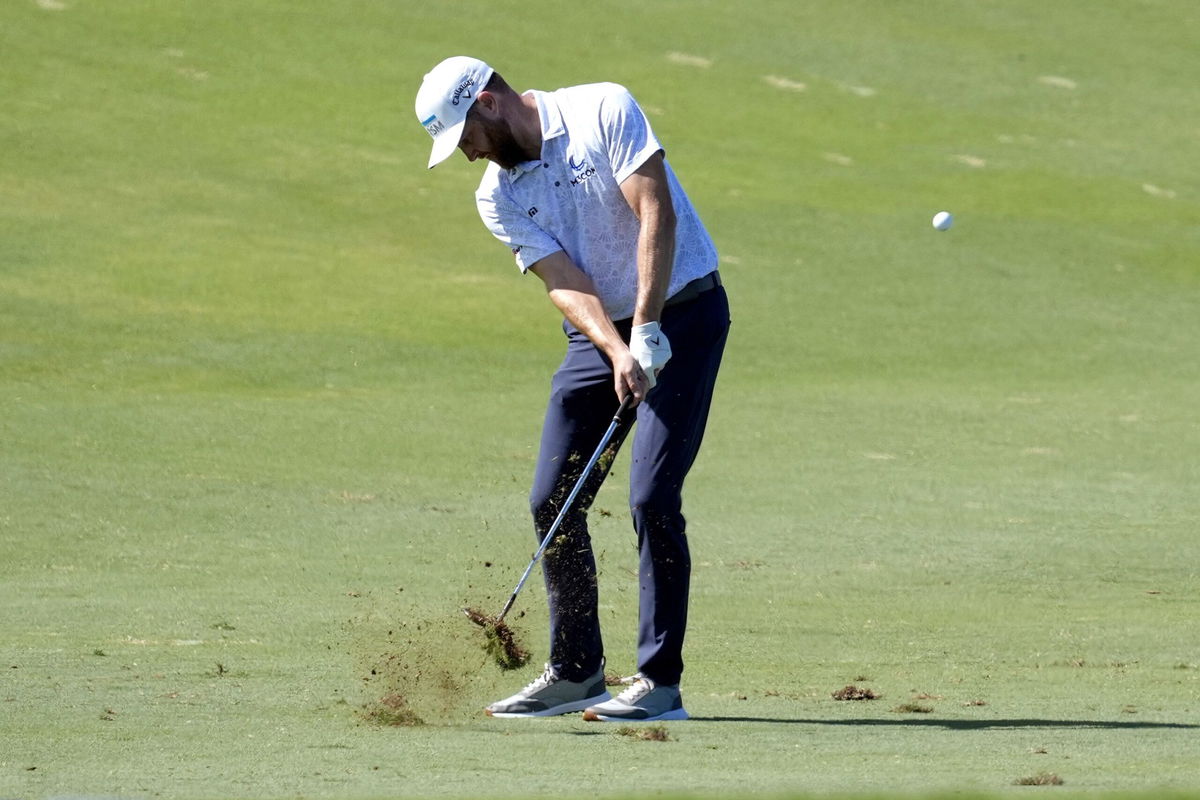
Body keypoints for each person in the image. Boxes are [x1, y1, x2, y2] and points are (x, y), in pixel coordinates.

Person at [415, 56, 729, 722]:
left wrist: (646, 329)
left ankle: (659, 682)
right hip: (599, 334)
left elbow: (655, 213)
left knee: (651, 495)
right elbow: (561, 278)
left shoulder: (602, 108)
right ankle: (577, 670)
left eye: (464, 136)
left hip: (685, 311)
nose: (467, 155)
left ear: (490, 103)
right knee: (551, 497)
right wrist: (616, 348)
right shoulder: (495, 195)